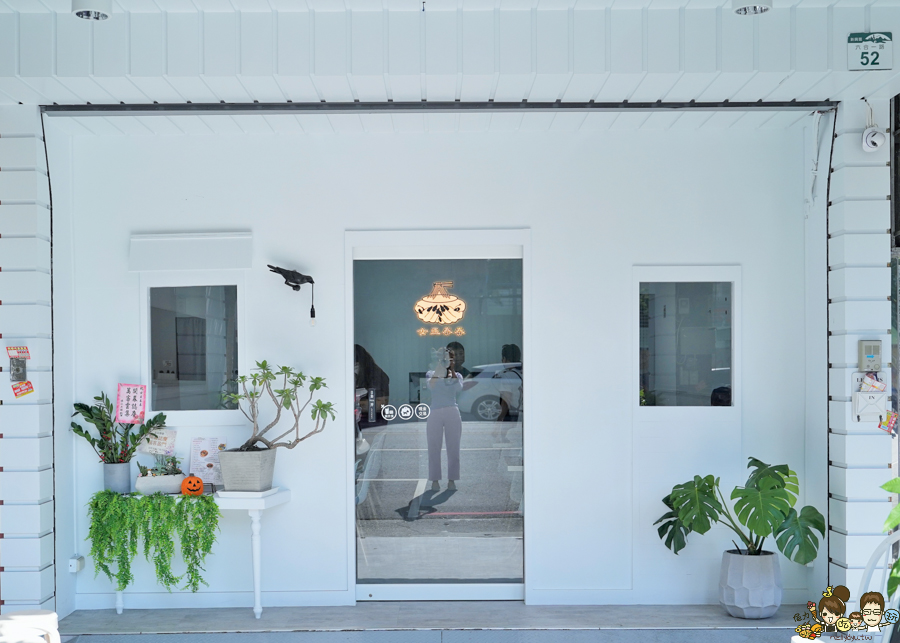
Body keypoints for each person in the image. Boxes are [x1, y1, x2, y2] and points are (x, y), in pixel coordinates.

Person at [426, 346, 463, 491]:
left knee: (453, 447)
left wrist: (451, 369)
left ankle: (452, 479)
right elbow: (431, 386)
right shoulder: (431, 373)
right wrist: (440, 366)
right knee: (433, 447)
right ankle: (435, 480)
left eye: (449, 359)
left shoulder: (457, 375)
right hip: (435, 411)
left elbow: (458, 388)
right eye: (444, 358)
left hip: (451, 410)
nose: (446, 361)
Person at [354, 345, 390, 429]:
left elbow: (379, 403)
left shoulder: (375, 376)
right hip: (372, 419)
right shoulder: (376, 374)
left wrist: (356, 403)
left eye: (355, 365)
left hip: (372, 419)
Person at [497, 343, 522, 423]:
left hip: (514, 413)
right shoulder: (524, 372)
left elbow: (506, 399)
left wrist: (500, 418)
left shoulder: (507, 376)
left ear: (504, 358)